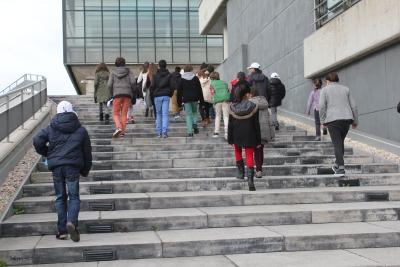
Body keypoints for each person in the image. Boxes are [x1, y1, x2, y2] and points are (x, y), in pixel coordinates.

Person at [33, 101, 92, 242]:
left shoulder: (50, 128)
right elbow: (87, 153)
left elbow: (37, 140)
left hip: (57, 167)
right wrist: (85, 170)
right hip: (73, 167)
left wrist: (49, 154)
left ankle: (61, 231)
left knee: (60, 198)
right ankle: (72, 222)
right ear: (72, 112)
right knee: (74, 197)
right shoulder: (81, 130)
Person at [319, 72, 359, 177]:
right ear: (338, 80)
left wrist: (322, 120)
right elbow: (353, 106)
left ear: (327, 81)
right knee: (340, 142)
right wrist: (355, 121)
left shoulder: (325, 90)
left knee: (337, 143)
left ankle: (341, 168)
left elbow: (322, 106)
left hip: (333, 119)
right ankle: (337, 164)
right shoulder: (346, 89)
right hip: (346, 119)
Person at [228, 85, 261, 191]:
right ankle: (250, 180)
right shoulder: (253, 106)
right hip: (250, 133)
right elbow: (257, 124)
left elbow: (230, 125)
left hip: (237, 133)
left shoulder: (232, 107)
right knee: (249, 155)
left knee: (237, 151)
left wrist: (230, 139)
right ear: (247, 94)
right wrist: (258, 140)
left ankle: (240, 173)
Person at [249, 87, 275, 178]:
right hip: (264, 131)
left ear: (251, 94)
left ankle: (256, 169)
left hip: (254, 130)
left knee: (255, 150)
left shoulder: (250, 103)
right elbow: (270, 120)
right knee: (260, 150)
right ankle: (259, 168)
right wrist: (272, 134)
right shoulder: (264, 103)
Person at [108, 57, 136, 138]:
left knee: (116, 113)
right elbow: (133, 82)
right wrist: (132, 90)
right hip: (127, 94)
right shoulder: (129, 71)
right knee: (124, 114)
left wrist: (112, 93)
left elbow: (109, 84)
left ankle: (118, 127)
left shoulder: (113, 72)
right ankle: (122, 132)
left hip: (116, 94)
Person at [177, 65, 205, 137]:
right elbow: (200, 90)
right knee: (195, 111)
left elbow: (179, 91)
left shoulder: (182, 79)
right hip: (195, 98)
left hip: (186, 99)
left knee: (188, 115)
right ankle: (195, 124)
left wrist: (179, 103)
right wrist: (202, 102)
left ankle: (190, 132)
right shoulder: (195, 78)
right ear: (191, 70)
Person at [150, 59, 173, 138]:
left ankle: (159, 132)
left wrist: (153, 94)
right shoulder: (169, 74)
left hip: (157, 95)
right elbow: (171, 86)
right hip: (166, 95)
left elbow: (152, 85)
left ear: (158, 66)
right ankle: (165, 132)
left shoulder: (155, 74)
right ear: (165, 66)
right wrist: (170, 93)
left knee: (158, 114)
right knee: (165, 114)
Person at [210, 71, 230, 139]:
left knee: (218, 115)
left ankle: (216, 132)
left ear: (212, 77)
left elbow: (212, 93)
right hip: (226, 100)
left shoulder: (212, 83)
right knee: (226, 116)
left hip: (217, 100)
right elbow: (229, 91)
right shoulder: (224, 82)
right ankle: (227, 130)